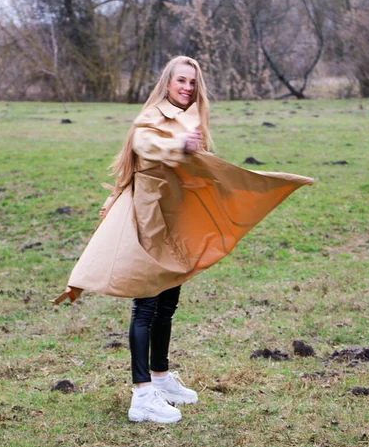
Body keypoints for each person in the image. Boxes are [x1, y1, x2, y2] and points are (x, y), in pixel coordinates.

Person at [53, 56, 313, 424]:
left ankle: (160, 377)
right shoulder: (151, 118)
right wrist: (180, 145)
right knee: (145, 306)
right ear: (167, 83)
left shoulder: (191, 117)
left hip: (175, 221)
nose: (188, 88)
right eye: (181, 81)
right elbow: (147, 144)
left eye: (193, 82)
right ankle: (141, 395)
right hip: (148, 222)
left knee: (168, 303)